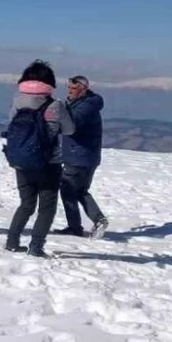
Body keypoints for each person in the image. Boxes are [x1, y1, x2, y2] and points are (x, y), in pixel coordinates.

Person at [3, 60, 75, 257]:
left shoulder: (17, 102)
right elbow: (70, 129)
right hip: (48, 164)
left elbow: (10, 126)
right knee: (47, 206)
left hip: (22, 162)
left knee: (26, 204)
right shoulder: (55, 105)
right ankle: (36, 246)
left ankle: (12, 241)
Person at [55, 75, 109, 239]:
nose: (70, 91)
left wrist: (56, 116)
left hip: (77, 155)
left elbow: (72, 124)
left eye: (73, 89)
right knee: (80, 191)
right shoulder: (88, 103)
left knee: (68, 190)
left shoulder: (85, 107)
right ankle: (94, 220)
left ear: (83, 89)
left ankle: (78, 226)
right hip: (86, 156)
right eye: (69, 88)